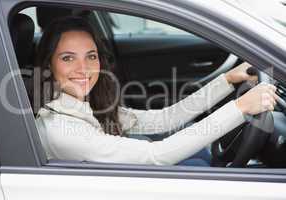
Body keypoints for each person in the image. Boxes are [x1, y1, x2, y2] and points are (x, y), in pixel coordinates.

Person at [35, 16, 278, 166]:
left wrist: (227, 80)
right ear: (48, 65)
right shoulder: (62, 130)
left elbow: (164, 119)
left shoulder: (86, 106)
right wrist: (240, 108)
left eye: (91, 56)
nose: (83, 69)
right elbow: (157, 155)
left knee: (200, 161)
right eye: (68, 58)